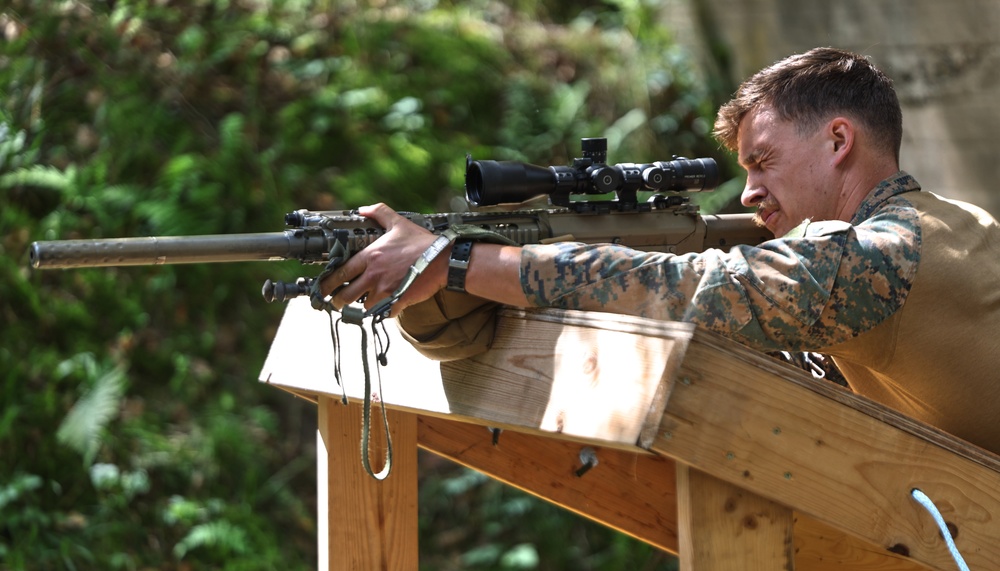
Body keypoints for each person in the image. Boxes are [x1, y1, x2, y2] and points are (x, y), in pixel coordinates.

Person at [321, 47, 1000, 453]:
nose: (748, 194)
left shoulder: (887, 253)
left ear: (838, 140)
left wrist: (455, 261)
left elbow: (687, 289)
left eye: (762, 162)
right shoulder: (948, 221)